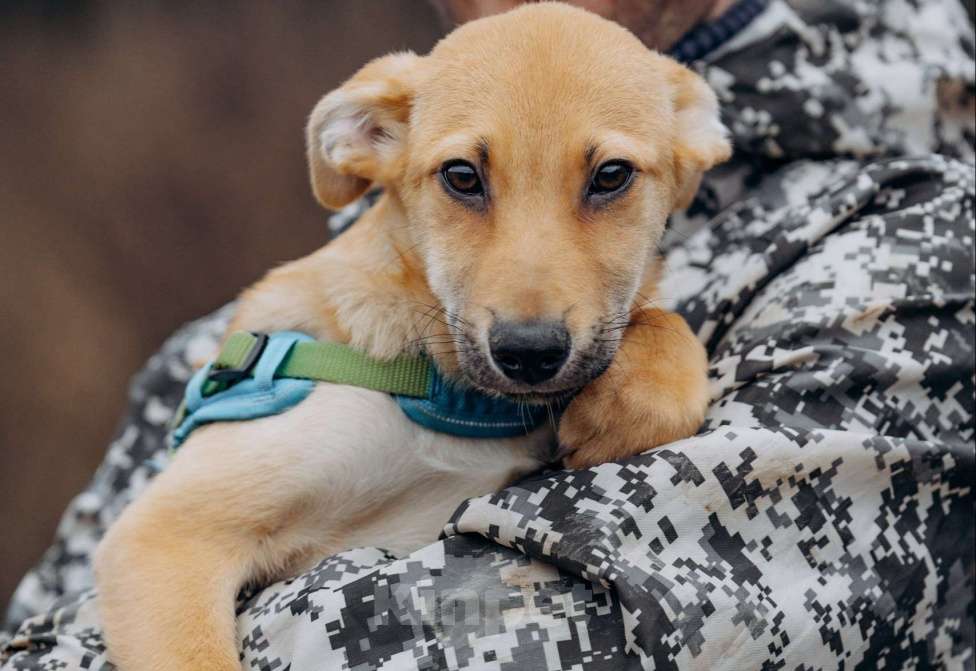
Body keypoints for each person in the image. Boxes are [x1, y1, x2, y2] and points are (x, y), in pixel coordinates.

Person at [3, 1, 973, 669]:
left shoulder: (906, 243)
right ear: (365, 143)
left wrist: (661, 348)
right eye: (465, 180)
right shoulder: (262, 351)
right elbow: (129, 571)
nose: (529, 312)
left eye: (607, 180)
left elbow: (602, 622)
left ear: (691, 144)